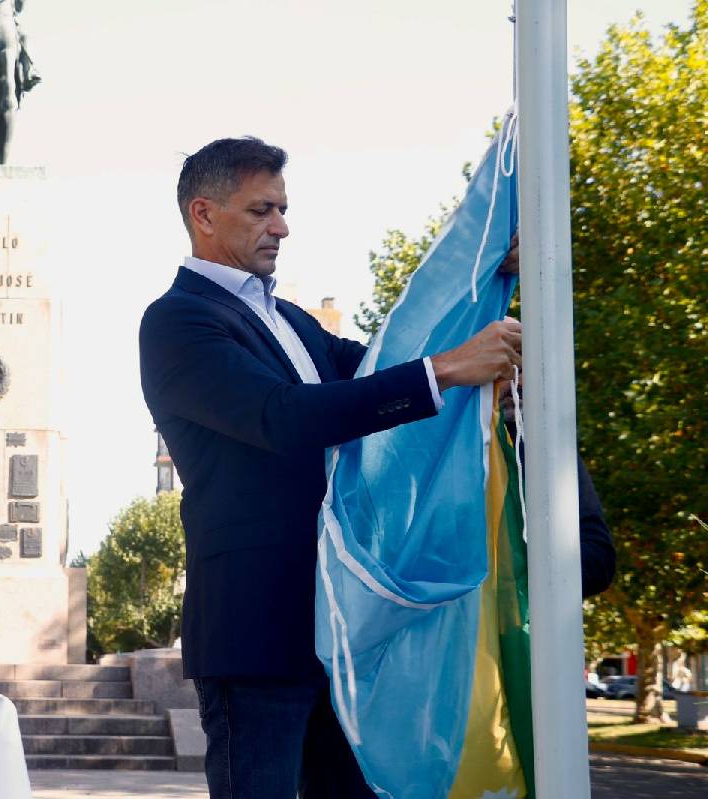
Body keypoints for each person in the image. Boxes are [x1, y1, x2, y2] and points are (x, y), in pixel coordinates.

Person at [137, 137, 523, 798]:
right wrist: (449, 368)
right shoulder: (177, 322)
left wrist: (485, 275)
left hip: (342, 626)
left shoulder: (292, 321)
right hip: (256, 631)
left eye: (283, 209)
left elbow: (390, 362)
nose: (281, 227)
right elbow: (284, 417)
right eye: (261, 210)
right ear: (204, 214)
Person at [497, 381, 615, 597]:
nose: (517, 380)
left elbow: (598, 562)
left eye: (523, 368)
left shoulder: (548, 449)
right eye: (504, 366)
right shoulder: (446, 445)